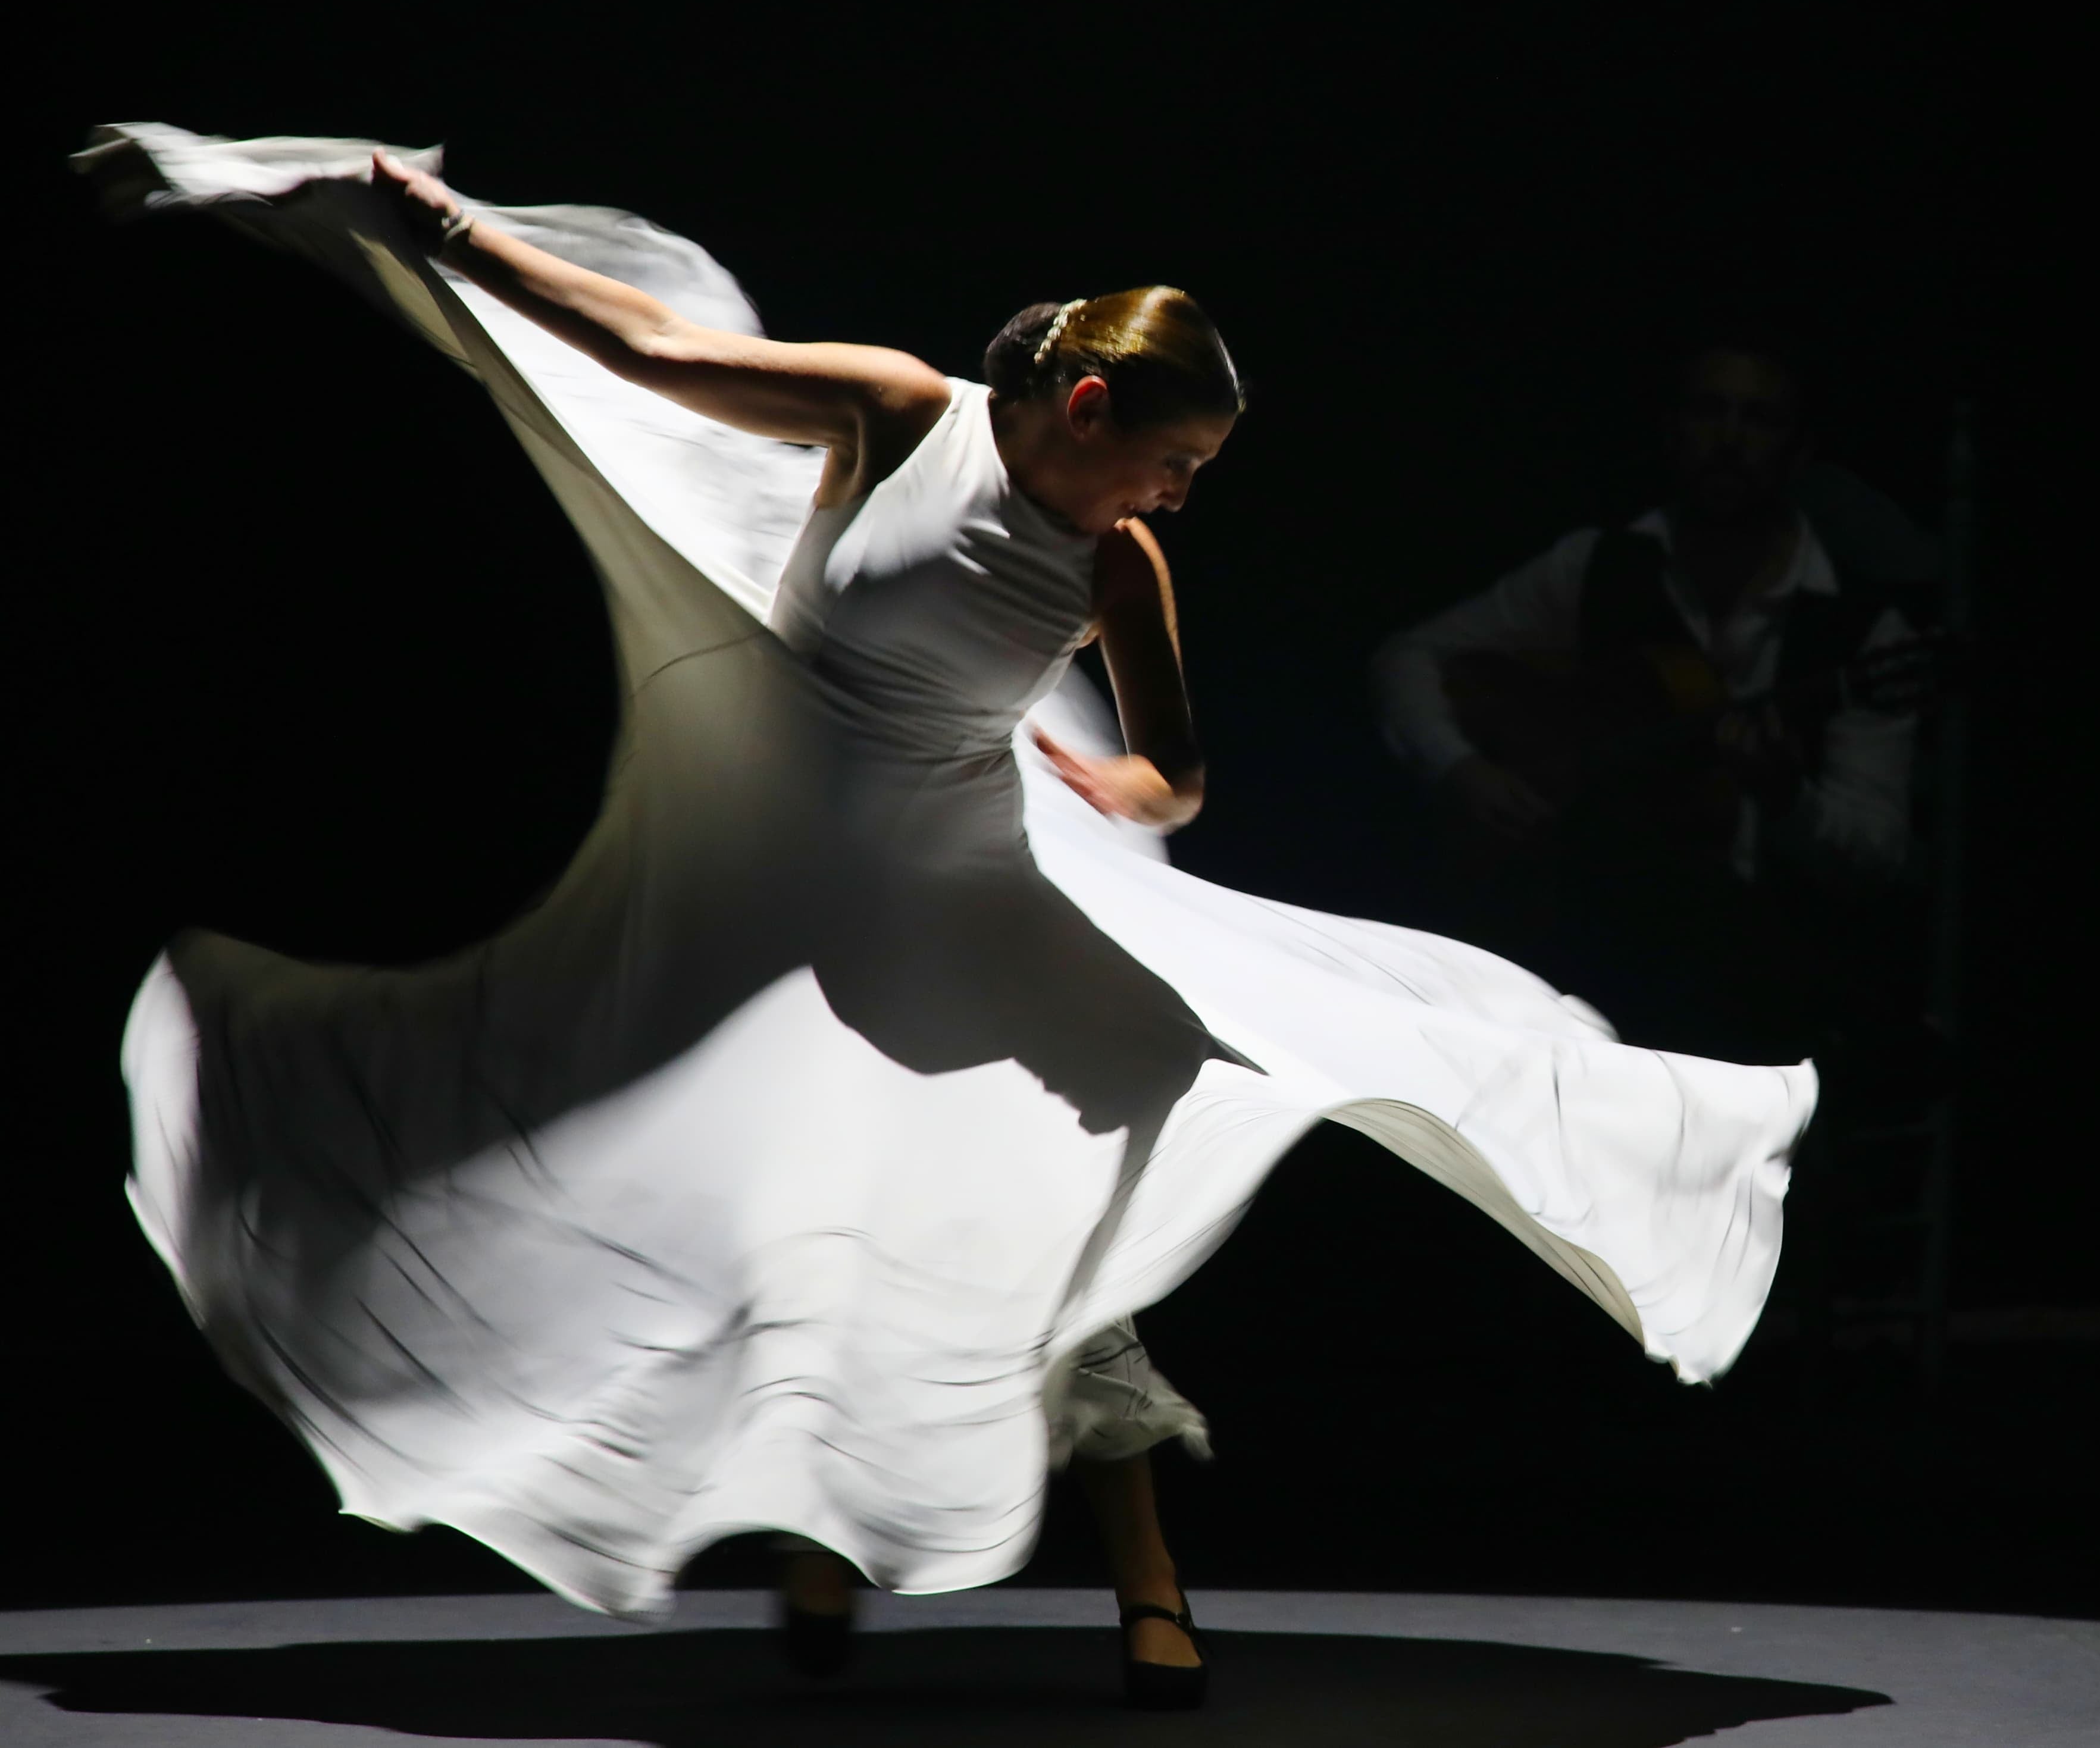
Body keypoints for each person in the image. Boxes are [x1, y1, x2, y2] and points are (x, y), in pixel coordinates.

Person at [87, 125, 1814, 1708]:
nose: (1185, 493)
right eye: (1176, 455)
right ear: (1084, 410)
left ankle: (1147, 1579)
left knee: (1041, 1231)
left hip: (974, 899)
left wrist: (1123, 799)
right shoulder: (902, 415)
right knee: (806, 1226)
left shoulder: (1118, 566)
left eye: (1206, 467)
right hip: (787, 898)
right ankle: (828, 1542)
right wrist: (446, 225)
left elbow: (1180, 773)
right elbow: (651, 351)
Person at [1370, 346, 1921, 1062]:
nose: (1729, 438)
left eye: (1759, 418)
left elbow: (1876, 853)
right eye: (1708, 410)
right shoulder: (1598, 564)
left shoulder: (1863, 632)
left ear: (1799, 447)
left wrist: (1788, 799)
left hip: (1774, 1002)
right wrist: (1461, 770)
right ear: (1671, 431)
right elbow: (1407, 657)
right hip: (1592, 964)